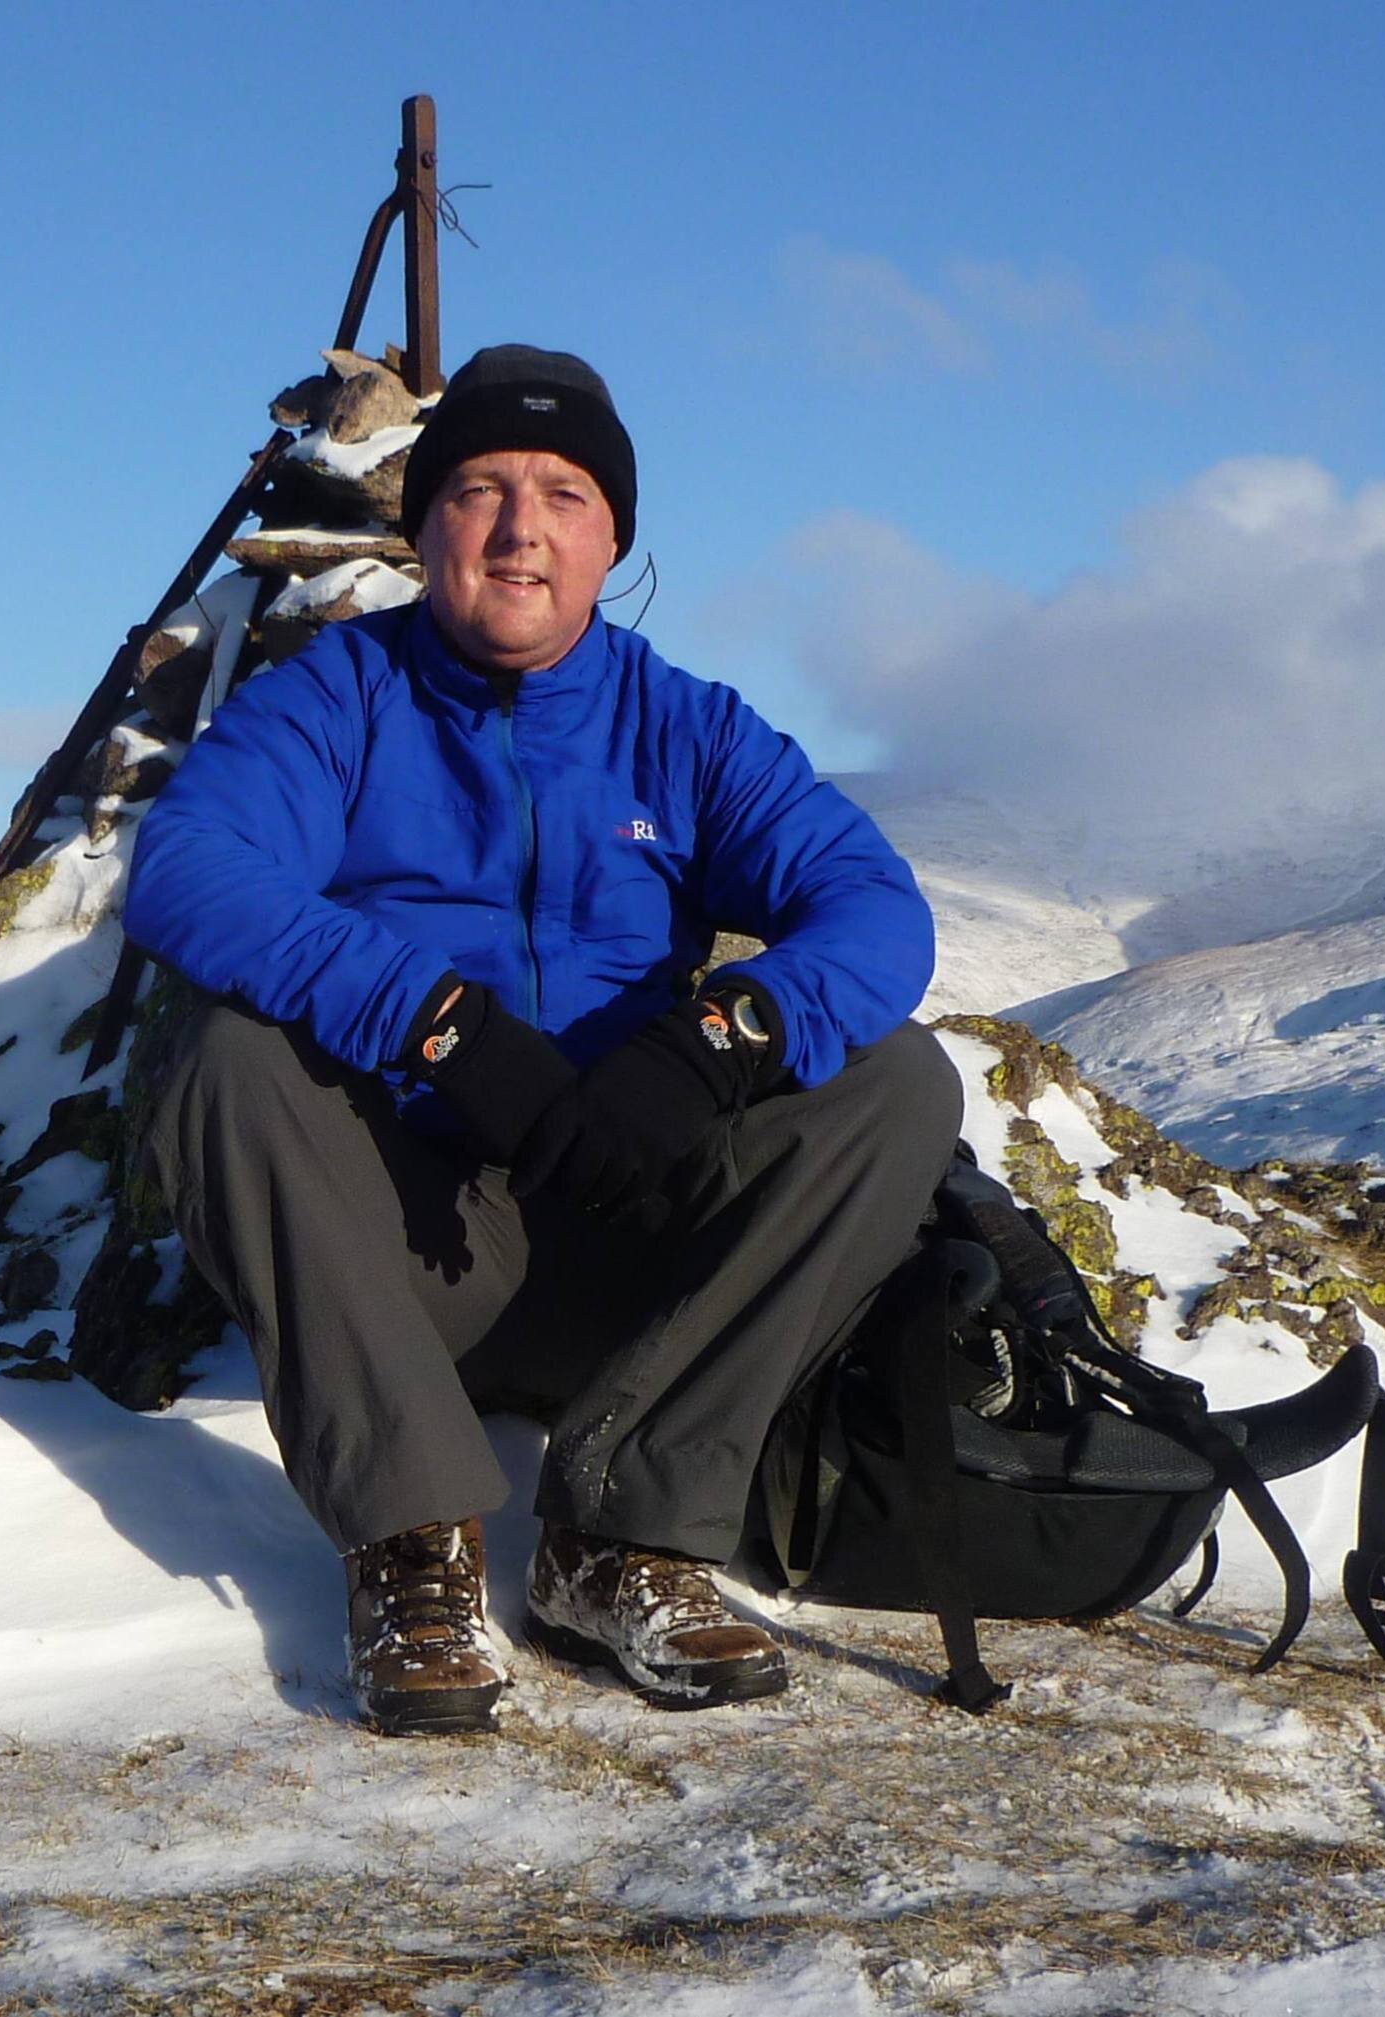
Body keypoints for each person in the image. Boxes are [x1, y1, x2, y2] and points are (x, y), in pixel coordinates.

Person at [125, 344, 958, 1736]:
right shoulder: (337, 701)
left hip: (641, 1242)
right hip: (405, 1259)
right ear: (424, 520)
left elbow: (875, 910)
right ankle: (412, 1545)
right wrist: (435, 1025)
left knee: (895, 1082)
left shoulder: (686, 730)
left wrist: (715, 1042)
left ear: (610, 536)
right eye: (483, 490)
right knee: (225, 1056)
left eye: (565, 494)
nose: (522, 529)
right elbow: (189, 865)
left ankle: (622, 1534)